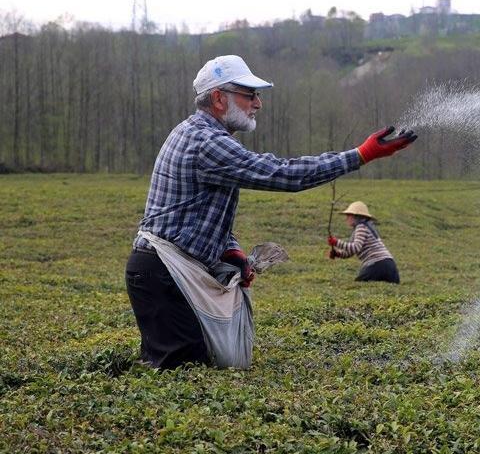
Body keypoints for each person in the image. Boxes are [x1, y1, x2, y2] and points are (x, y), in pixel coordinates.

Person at [125, 55, 417, 369]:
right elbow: (280, 173)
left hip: (165, 273)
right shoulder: (207, 143)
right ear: (220, 99)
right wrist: (359, 155)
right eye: (249, 95)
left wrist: (230, 250)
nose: (258, 103)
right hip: (164, 277)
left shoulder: (199, 134)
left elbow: (196, 213)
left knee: (195, 368)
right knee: (183, 374)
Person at [327, 201, 400, 284]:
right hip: (390, 266)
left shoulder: (361, 227)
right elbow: (350, 252)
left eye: (348, 215)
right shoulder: (365, 226)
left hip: (377, 264)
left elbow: (355, 247)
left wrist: (336, 242)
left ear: (355, 216)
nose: (346, 218)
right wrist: (337, 254)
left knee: (359, 285)